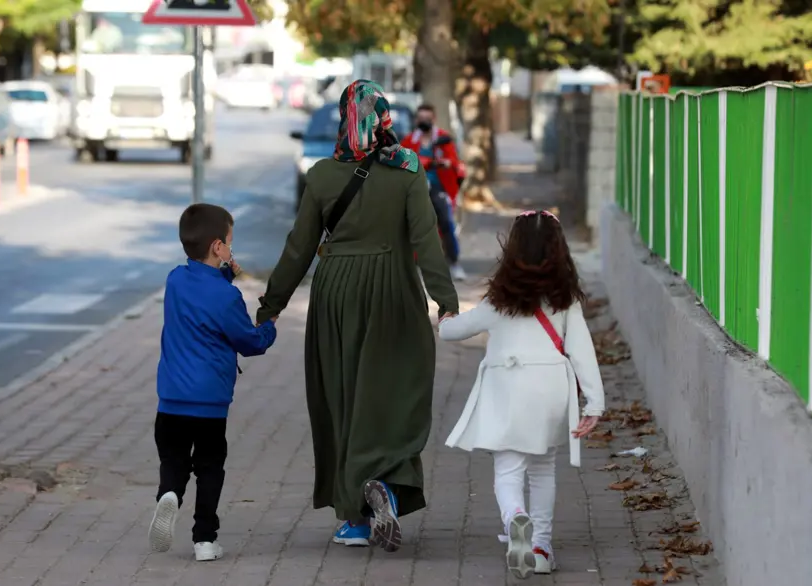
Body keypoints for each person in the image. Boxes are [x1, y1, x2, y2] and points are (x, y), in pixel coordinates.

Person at [255, 80, 459, 552]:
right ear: (384, 117)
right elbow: (427, 242)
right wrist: (445, 302)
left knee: (343, 397)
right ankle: (387, 482)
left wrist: (271, 307)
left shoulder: (323, 175)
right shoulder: (409, 169)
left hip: (337, 294)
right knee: (397, 390)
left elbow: (299, 248)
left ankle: (355, 521)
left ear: (346, 119)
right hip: (394, 292)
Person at [437, 210, 605, 579]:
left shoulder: (498, 301)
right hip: (552, 391)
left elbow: (453, 332)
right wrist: (594, 403)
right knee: (543, 469)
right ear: (560, 253)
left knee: (508, 470)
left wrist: (445, 318)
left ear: (512, 251)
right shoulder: (565, 301)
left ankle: (515, 516)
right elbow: (582, 352)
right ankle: (541, 547)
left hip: (508, 391)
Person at [149, 203, 278, 561]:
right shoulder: (227, 297)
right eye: (230, 243)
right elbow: (250, 343)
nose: (232, 249)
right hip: (209, 404)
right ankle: (205, 540)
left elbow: (200, 294)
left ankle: (169, 493)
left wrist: (224, 275)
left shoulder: (175, 280)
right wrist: (269, 324)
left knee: (173, 461)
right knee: (209, 468)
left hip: (171, 399)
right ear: (218, 247)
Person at [401, 104, 467, 281]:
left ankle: (454, 262)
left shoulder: (443, 139)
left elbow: (454, 161)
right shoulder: (409, 141)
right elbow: (402, 160)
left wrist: (446, 163)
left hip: (438, 188)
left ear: (434, 119)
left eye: (427, 118)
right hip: (415, 188)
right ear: (416, 120)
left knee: (446, 222)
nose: (424, 121)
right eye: (421, 118)